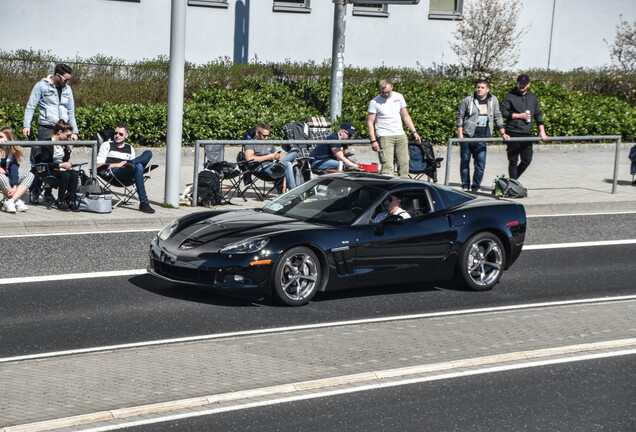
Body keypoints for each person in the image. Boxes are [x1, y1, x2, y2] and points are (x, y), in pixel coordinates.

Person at [456, 80, 510, 192]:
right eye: (478, 87)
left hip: (482, 138)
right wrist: (460, 134)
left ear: (487, 89)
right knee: (465, 163)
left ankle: (476, 187)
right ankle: (465, 186)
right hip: (467, 136)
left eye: (482, 87)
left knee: (480, 165)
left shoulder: (493, 100)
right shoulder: (468, 100)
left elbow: (497, 116)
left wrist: (503, 132)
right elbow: (459, 116)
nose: (479, 89)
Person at [96, 123, 155, 213]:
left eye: (120, 134)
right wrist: (118, 164)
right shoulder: (107, 145)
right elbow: (98, 165)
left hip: (129, 172)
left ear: (126, 135)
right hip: (115, 173)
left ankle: (130, 163)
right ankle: (144, 203)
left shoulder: (129, 147)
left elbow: (133, 167)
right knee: (138, 166)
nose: (117, 136)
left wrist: (128, 164)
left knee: (148, 153)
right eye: (115, 133)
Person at [367, 79, 421, 177]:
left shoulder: (399, 97)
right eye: (383, 92)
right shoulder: (374, 102)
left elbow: (405, 116)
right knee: (387, 166)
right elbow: (370, 122)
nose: (386, 94)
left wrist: (414, 132)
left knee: (404, 163)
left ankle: (404, 187)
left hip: (400, 134)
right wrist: (373, 140)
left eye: (388, 92)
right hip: (385, 136)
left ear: (392, 87)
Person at [501, 74, 548, 180]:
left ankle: (512, 182)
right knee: (513, 160)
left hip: (526, 132)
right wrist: (519, 115)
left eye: (525, 83)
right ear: (517, 83)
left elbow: (538, 114)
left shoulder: (533, 97)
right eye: (520, 83)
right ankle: (512, 184)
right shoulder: (509, 96)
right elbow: (503, 112)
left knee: (527, 159)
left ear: (528, 84)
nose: (522, 85)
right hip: (513, 131)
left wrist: (542, 131)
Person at [23, 63, 79, 142]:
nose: (67, 82)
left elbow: (71, 111)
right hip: (46, 128)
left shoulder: (68, 89)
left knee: (64, 154)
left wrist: (75, 132)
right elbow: (31, 107)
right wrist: (26, 125)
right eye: (65, 80)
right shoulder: (41, 86)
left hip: (64, 129)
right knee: (46, 153)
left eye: (69, 79)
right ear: (58, 75)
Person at [35, 120, 80, 212]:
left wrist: (68, 150)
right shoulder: (48, 143)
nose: (69, 138)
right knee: (66, 175)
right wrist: (60, 165)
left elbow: (65, 160)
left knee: (74, 174)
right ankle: (61, 200)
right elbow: (45, 162)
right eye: (68, 136)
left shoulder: (63, 144)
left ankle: (71, 200)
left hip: (59, 169)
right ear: (60, 132)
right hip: (48, 170)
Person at [244, 122, 298, 190]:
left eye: (268, 136)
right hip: (262, 169)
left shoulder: (268, 143)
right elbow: (249, 158)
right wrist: (268, 157)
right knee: (288, 164)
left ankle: (280, 165)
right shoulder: (250, 143)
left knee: (294, 152)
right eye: (264, 136)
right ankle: (293, 191)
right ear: (257, 133)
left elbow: (280, 157)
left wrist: (277, 156)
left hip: (274, 166)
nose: (266, 138)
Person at [0, 126, 34, 213]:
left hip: (9, 180)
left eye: (1, 137)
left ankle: (11, 200)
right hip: (1, 179)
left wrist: (15, 186)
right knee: (1, 176)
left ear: (8, 138)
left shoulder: (13, 152)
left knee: (30, 175)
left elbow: (14, 171)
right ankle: (15, 201)